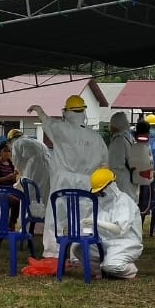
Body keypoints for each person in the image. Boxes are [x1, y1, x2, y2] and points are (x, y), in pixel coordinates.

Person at [29, 95, 108, 259]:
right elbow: (105, 162)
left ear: (67, 111)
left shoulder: (62, 129)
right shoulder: (96, 137)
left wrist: (39, 111)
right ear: (83, 111)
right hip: (87, 181)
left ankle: (53, 253)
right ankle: (81, 253)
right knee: (86, 218)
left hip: (63, 180)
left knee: (56, 215)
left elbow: (48, 123)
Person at [89, 168, 143, 279]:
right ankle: (99, 271)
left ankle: (130, 270)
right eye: (97, 192)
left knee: (112, 265)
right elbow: (91, 225)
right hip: (104, 241)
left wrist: (97, 222)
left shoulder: (123, 201)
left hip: (125, 243)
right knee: (78, 247)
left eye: (101, 191)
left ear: (110, 186)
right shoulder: (100, 202)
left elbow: (119, 230)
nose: (99, 194)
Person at [9, 128, 51, 224]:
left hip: (34, 171)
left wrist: (20, 171)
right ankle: (42, 225)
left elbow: (17, 161)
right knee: (44, 196)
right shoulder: (35, 141)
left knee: (29, 196)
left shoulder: (17, 143)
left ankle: (26, 224)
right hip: (48, 170)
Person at [0, 141, 20, 229]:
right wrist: (7, 178)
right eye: (5, 151)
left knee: (23, 198)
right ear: (0, 152)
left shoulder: (11, 164)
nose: (7, 153)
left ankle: (12, 222)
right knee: (16, 201)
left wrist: (14, 176)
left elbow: (13, 182)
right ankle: (11, 224)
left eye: (9, 151)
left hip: (10, 190)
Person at [106, 111, 136, 197]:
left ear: (116, 124)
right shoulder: (130, 138)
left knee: (123, 207)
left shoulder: (118, 140)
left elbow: (115, 166)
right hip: (131, 180)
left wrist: (112, 184)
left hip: (122, 184)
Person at [129, 121, 154, 216]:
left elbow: (150, 165)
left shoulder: (145, 146)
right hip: (137, 180)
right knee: (140, 205)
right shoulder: (136, 146)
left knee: (142, 205)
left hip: (143, 179)